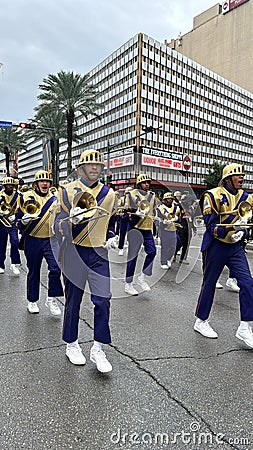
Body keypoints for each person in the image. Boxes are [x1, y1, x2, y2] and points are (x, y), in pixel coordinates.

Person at [55, 149, 117, 372]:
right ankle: (71, 343)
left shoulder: (109, 194)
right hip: (74, 251)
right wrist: (71, 221)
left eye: (98, 165)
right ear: (80, 168)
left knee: (103, 300)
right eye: (90, 165)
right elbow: (56, 225)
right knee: (74, 301)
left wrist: (111, 237)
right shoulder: (67, 191)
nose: (94, 168)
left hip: (99, 254)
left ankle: (98, 347)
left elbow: (112, 222)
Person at [194, 163, 253, 348]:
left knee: (248, 282)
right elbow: (212, 228)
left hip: (235, 246)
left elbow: (248, 223)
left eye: (243, 176)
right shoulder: (212, 195)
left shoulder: (247, 198)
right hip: (216, 246)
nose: (242, 178)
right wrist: (232, 228)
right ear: (228, 178)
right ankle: (201, 321)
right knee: (210, 283)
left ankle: (244, 327)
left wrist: (242, 233)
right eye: (238, 176)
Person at [18, 171, 63, 315]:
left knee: (56, 268)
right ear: (36, 183)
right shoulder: (27, 196)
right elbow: (18, 219)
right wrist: (23, 222)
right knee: (34, 271)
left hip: (51, 239)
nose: (45, 184)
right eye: (42, 181)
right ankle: (32, 300)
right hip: (33, 239)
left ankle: (51, 299)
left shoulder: (56, 199)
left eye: (47, 181)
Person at [124, 174, 158, 296]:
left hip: (147, 227)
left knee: (152, 252)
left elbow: (155, 210)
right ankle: (128, 284)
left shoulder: (152, 196)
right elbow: (126, 211)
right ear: (139, 184)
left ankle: (142, 278)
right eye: (144, 183)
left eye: (148, 182)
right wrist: (134, 213)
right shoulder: (131, 194)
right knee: (133, 257)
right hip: (136, 228)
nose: (147, 184)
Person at [0, 177, 21, 275]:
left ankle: (14, 263)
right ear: (4, 186)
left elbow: (22, 209)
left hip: (12, 223)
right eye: (8, 185)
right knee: (1, 244)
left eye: (12, 185)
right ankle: (0, 264)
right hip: (1, 222)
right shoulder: (0, 195)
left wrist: (16, 216)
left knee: (15, 242)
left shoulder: (18, 196)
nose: (10, 187)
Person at [155, 192, 181, 269]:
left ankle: (168, 258)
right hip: (164, 229)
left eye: (171, 199)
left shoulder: (176, 207)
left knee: (175, 245)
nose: (170, 200)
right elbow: (156, 220)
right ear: (165, 200)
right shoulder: (160, 208)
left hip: (173, 229)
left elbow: (180, 218)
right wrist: (163, 222)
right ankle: (163, 262)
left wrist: (177, 218)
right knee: (165, 246)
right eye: (168, 199)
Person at [117, 187, 132, 256]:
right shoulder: (122, 199)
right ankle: (121, 248)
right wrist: (120, 212)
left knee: (130, 233)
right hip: (124, 216)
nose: (128, 194)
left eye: (130, 193)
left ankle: (129, 247)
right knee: (122, 233)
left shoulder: (134, 199)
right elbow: (118, 207)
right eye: (127, 193)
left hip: (132, 217)